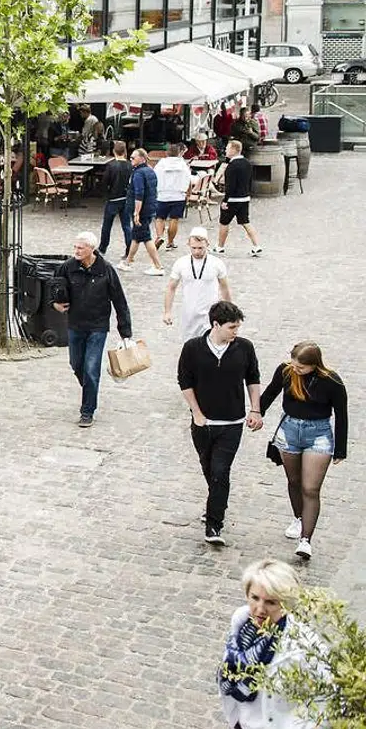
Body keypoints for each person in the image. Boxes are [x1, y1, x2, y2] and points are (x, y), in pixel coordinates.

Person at [177, 301, 263, 546]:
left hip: (232, 422)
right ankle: (217, 502)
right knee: (208, 467)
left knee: (220, 470)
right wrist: (197, 413)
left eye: (237, 327)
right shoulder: (193, 348)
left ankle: (215, 524)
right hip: (203, 423)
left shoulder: (244, 348)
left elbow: (253, 378)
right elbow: (184, 381)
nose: (236, 332)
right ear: (215, 324)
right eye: (231, 327)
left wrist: (255, 409)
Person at [259, 341, 349, 560]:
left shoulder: (331, 382)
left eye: (301, 367)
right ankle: (298, 518)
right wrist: (256, 412)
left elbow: (341, 415)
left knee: (310, 488)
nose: (296, 370)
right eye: (294, 364)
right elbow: (271, 392)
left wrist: (340, 450)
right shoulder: (286, 371)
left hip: (318, 434)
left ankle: (305, 540)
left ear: (313, 365)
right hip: (289, 429)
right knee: (294, 481)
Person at [219, 560, 315, 729]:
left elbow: (328, 696)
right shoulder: (241, 623)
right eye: (254, 598)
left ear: (286, 604)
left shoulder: (303, 642)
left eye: (271, 602)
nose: (260, 609)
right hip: (241, 722)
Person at [52, 231, 132, 428]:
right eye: (75, 247)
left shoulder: (106, 270)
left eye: (81, 248)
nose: (76, 251)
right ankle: (90, 388)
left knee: (91, 368)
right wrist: (55, 304)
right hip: (75, 324)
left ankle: (87, 410)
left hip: (97, 326)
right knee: (76, 363)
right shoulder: (67, 268)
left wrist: (125, 333)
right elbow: (53, 288)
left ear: (92, 249)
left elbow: (119, 301)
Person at [163, 227, 232, 341]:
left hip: (210, 314)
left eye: (201, 248)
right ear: (188, 245)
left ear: (207, 244)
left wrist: (229, 313)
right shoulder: (181, 263)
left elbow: (225, 288)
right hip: (189, 315)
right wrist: (167, 312)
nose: (197, 252)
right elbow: (171, 287)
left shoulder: (217, 264)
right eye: (193, 248)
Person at [120, 148, 165, 275]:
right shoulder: (150, 170)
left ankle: (158, 266)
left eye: (133, 158)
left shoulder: (138, 173)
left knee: (145, 237)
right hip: (150, 208)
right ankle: (128, 261)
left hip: (142, 210)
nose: (131, 159)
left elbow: (139, 195)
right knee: (137, 236)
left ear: (142, 159)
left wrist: (136, 212)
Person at [215, 139, 264, 256]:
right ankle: (257, 245)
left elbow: (230, 186)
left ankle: (220, 247)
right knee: (246, 222)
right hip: (245, 198)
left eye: (227, 148)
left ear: (233, 150)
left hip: (233, 199)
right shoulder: (247, 163)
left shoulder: (232, 166)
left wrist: (225, 200)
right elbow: (250, 181)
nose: (225, 150)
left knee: (224, 222)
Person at [98, 141, 134, 260]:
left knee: (107, 225)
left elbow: (105, 182)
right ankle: (129, 248)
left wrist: (106, 193)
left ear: (114, 151)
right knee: (126, 225)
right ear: (124, 152)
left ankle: (103, 247)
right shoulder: (130, 165)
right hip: (126, 198)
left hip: (113, 198)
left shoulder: (111, 165)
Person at [152, 143, 191, 250]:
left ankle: (160, 236)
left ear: (166, 153)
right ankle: (170, 242)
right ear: (179, 153)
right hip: (178, 195)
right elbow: (188, 180)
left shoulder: (161, 164)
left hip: (163, 194)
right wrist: (188, 193)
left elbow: (154, 177)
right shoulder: (183, 165)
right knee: (174, 219)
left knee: (160, 218)